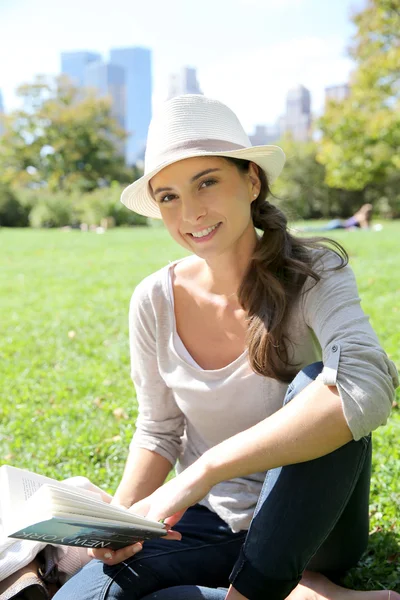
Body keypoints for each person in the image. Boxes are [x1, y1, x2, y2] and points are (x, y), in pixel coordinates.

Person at [53, 95, 399, 600]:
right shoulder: (154, 298)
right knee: (82, 598)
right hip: (212, 525)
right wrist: (117, 523)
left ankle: (272, 586)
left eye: (207, 182)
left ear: (252, 181)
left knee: (318, 383)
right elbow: (158, 430)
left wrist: (204, 471)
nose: (190, 212)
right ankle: (305, 595)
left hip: (314, 531)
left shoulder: (315, 273)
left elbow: (367, 384)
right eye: (168, 196)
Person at [301, 204, 373, 232]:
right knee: (322, 229)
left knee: (322, 228)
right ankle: (303, 229)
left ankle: (303, 229)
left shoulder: (359, 214)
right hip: (339, 225)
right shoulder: (362, 217)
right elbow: (365, 228)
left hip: (338, 223)